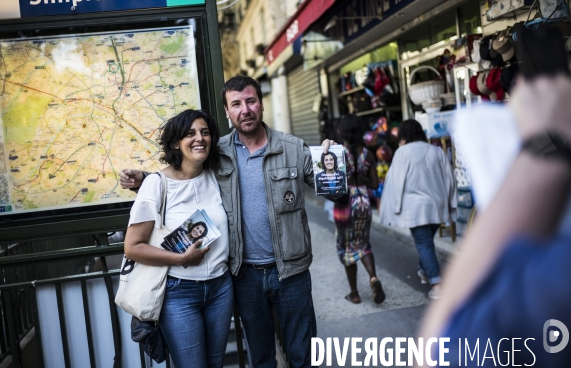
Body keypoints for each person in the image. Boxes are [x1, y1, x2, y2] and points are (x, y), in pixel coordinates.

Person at [121, 75, 331, 368]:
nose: (245, 109)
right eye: (236, 104)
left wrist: (334, 161)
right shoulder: (218, 152)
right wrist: (145, 180)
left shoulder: (291, 148)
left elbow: (334, 191)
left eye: (250, 101)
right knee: (261, 359)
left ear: (260, 104)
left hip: (289, 272)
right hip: (244, 276)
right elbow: (178, 171)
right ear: (228, 111)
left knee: (302, 354)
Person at [418, 74, 571, 366]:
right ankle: (433, 277)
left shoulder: (553, 280)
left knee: (423, 242)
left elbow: (442, 350)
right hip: (436, 206)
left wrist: (543, 151)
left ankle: (434, 278)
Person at [123, 109, 233, 368]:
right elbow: (132, 247)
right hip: (179, 292)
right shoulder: (156, 184)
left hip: (220, 288)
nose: (200, 138)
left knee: (215, 363)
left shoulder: (214, 176)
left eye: (205, 132)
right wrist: (180, 258)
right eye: (190, 133)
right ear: (175, 143)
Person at [379, 119, 456, 300]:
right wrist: (451, 202)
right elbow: (450, 178)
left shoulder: (402, 152)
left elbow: (395, 182)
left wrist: (394, 207)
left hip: (415, 208)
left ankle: (437, 284)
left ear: (403, 136)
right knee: (426, 242)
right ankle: (423, 270)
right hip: (437, 206)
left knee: (424, 243)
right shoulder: (436, 151)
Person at [333, 114, 384, 304]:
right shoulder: (368, 154)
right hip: (363, 201)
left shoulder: (337, 154)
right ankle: (373, 277)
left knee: (346, 247)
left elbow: (331, 183)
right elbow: (374, 183)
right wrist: (360, 176)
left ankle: (354, 293)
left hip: (344, 204)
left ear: (341, 132)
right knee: (363, 244)